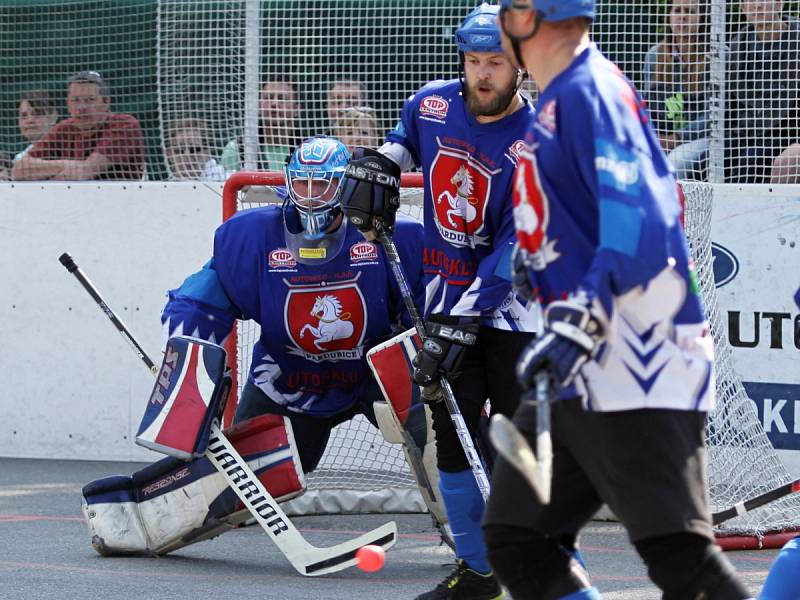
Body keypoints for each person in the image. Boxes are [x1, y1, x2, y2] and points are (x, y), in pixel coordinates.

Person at [487, 1, 752, 599]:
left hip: (635, 358)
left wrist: (578, 318)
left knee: (680, 558)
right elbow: (588, 205)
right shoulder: (558, 99)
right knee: (516, 537)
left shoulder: (590, 91)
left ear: (529, 19)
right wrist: (542, 254)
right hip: (583, 367)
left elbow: (644, 217)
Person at [343, 5, 540, 599]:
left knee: (514, 438)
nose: (482, 74)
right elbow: (404, 143)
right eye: (473, 60)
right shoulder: (431, 102)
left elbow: (514, 249)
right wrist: (380, 164)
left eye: (496, 63)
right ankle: (479, 573)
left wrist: (461, 316)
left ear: (522, 66)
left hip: (516, 311)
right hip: (442, 295)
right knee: (450, 432)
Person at [164, 135, 424, 477]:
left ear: (347, 186)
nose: (312, 195)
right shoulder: (251, 237)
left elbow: (423, 313)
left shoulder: (391, 234)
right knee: (242, 487)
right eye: (303, 183)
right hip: (287, 380)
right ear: (288, 182)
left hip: (373, 372)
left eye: (324, 184)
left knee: (439, 433)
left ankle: (464, 508)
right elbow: (200, 305)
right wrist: (187, 371)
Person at [12, 71, 144, 181]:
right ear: (67, 104)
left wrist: (47, 174)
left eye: (89, 100)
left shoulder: (124, 125)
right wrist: (65, 165)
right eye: (75, 100)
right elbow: (19, 170)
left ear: (106, 102)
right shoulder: (64, 129)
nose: (82, 107)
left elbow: (85, 172)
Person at [725, 0, 800, 183]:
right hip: (748, 130)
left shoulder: (796, 40)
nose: (757, 6)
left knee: (750, 162)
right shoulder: (737, 46)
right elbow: (731, 106)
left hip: (788, 132)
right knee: (708, 161)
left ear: (779, 5)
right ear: (743, 8)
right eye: (749, 1)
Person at [642, 0, 711, 180]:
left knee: (675, 162)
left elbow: (714, 115)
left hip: (704, 137)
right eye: (677, 10)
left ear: (702, 17)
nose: (683, 17)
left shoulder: (717, 55)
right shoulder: (654, 55)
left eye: (690, 11)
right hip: (664, 137)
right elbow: (647, 106)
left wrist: (678, 137)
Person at [220, 78, 301, 172]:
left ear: (296, 109)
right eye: (268, 97)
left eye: (282, 98)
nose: (274, 104)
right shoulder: (236, 149)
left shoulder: (310, 151)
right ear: (258, 106)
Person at [13, 90, 59, 166]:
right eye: (24, 116)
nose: (30, 120)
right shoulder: (19, 159)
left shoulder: (68, 150)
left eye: (37, 113)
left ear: (53, 117)